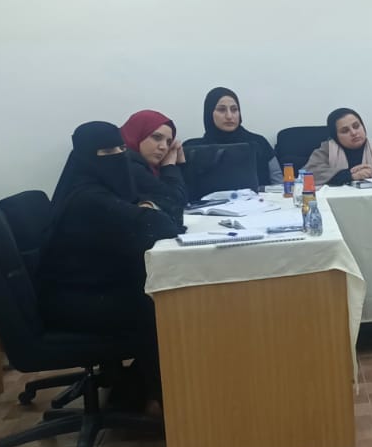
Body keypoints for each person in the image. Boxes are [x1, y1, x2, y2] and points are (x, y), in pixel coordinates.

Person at [37, 122, 183, 404]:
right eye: (106, 152)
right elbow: (158, 226)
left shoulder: (98, 188)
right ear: (85, 157)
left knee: (157, 293)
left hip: (87, 288)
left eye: (121, 148)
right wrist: (149, 210)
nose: (117, 156)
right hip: (74, 302)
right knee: (165, 304)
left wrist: (148, 209)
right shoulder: (88, 198)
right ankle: (165, 401)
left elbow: (156, 213)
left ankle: (138, 388)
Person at [189, 86, 280, 183]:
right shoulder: (194, 150)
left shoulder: (259, 143)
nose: (229, 116)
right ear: (209, 113)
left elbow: (278, 182)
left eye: (234, 109)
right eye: (221, 110)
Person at [119, 109, 187, 223]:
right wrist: (169, 167)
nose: (163, 147)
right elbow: (175, 200)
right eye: (157, 137)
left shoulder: (149, 167)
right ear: (137, 133)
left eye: (168, 142)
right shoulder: (129, 166)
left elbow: (188, 197)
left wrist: (180, 163)